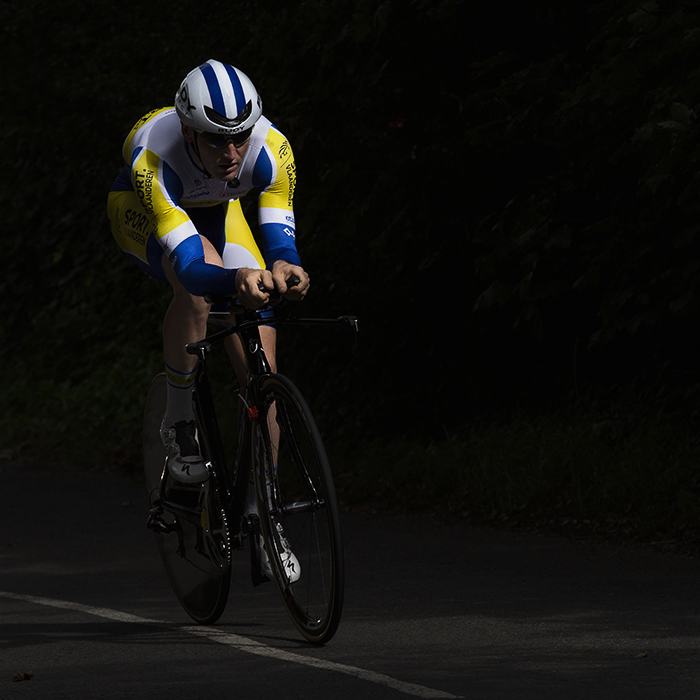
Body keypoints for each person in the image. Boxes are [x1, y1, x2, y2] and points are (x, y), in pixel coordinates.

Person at [108, 60, 310, 488]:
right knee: (198, 287)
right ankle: (179, 421)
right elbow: (195, 271)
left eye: (239, 138)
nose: (231, 153)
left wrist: (285, 264)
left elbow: (277, 237)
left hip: (221, 210)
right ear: (188, 133)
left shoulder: (273, 149)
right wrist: (233, 283)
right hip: (143, 211)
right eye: (216, 141)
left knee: (264, 371)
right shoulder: (154, 159)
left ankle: (266, 513)